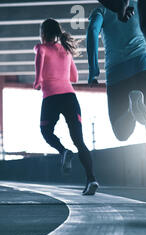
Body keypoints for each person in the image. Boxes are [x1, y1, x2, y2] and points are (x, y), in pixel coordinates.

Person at [34, 19, 99, 196]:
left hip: (51, 98)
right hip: (70, 97)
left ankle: (63, 151)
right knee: (79, 140)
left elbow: (39, 71)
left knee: (46, 131)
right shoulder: (66, 50)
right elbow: (75, 77)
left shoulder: (41, 48)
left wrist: (38, 82)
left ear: (43, 33)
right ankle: (92, 179)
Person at [87, 1, 146, 148]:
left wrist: (93, 70)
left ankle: (131, 110)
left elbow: (92, 31)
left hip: (118, 73)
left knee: (121, 133)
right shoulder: (138, 4)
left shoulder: (101, 11)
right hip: (145, 66)